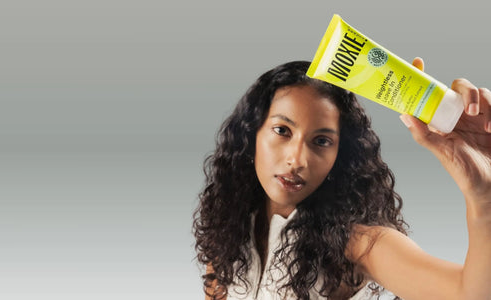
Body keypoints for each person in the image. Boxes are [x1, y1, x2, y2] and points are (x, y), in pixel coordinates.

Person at [192, 59, 491, 299]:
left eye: (321, 141)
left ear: (340, 155)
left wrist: (484, 198)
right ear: (250, 133)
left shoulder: (359, 244)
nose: (297, 160)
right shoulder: (228, 230)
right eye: (282, 131)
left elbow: (469, 294)